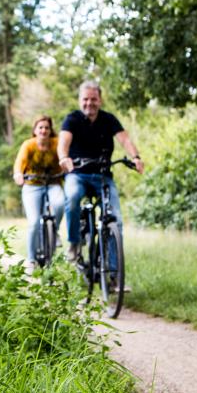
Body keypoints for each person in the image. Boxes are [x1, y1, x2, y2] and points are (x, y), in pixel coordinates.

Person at [58, 80, 144, 265]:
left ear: (100, 100)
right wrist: (64, 157)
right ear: (80, 100)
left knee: (116, 220)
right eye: (85, 99)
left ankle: (113, 274)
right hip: (77, 174)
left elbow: (125, 139)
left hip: (103, 176)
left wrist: (136, 156)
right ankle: (74, 244)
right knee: (72, 198)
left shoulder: (108, 119)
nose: (89, 103)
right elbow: (63, 142)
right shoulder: (72, 119)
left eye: (94, 99)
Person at [13, 115, 66, 273]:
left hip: (53, 183)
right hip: (32, 185)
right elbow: (19, 164)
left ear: (51, 130)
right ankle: (31, 259)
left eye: (47, 128)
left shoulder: (56, 143)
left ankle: (54, 231)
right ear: (35, 130)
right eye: (40, 127)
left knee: (59, 204)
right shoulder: (28, 145)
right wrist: (18, 175)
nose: (43, 130)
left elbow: (64, 158)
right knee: (34, 222)